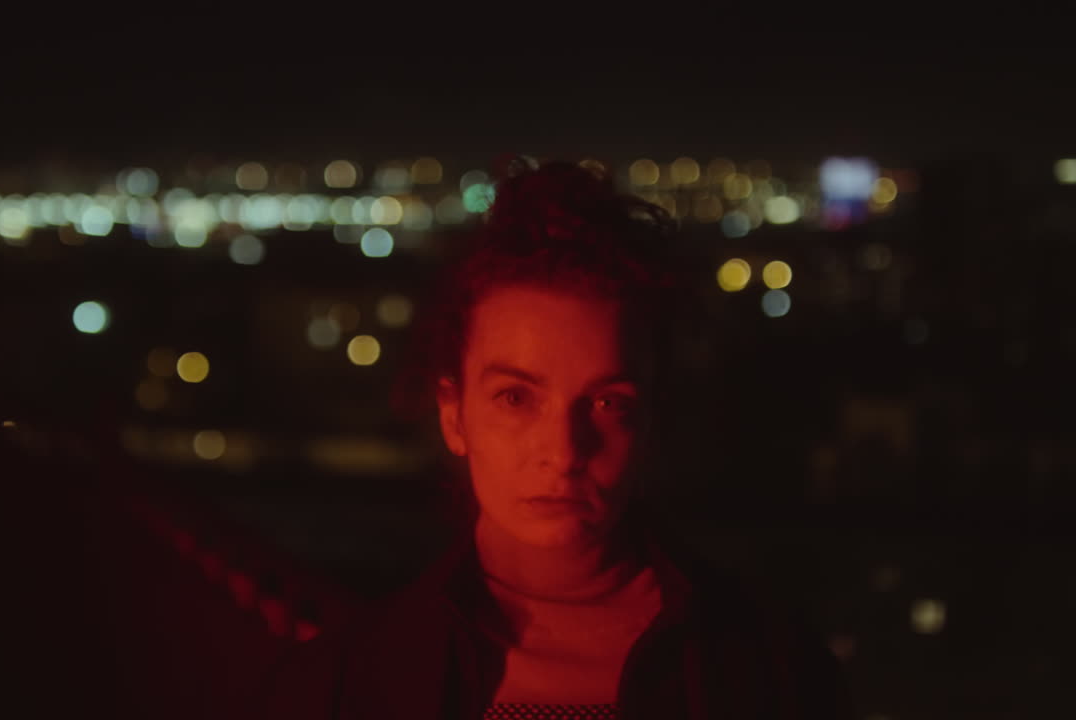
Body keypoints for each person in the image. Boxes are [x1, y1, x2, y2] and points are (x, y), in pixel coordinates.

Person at [251, 157, 853, 719]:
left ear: (650, 422)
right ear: (454, 417)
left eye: (606, 402)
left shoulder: (769, 674)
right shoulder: (342, 684)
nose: (564, 453)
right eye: (516, 398)